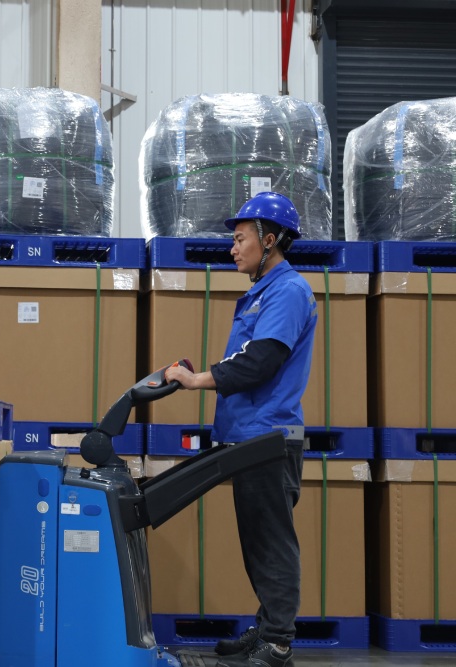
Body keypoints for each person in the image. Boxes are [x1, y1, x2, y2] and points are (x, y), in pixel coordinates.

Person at [164, 192, 318, 667]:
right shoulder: (263, 292)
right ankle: (268, 629)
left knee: (272, 545)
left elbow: (259, 363)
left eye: (240, 239)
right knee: (258, 544)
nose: (233, 249)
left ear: (269, 241)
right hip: (250, 436)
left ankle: (278, 643)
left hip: (270, 438)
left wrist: (196, 380)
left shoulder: (287, 291)